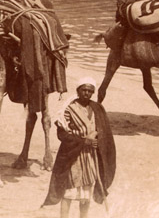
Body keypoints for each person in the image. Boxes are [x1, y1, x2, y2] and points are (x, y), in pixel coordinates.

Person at [42, 77, 116, 218]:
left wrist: (98, 139)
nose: (86, 93)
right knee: (69, 191)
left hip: (90, 156)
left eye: (90, 91)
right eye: (84, 90)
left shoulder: (97, 109)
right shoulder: (68, 109)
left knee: (85, 193)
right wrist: (84, 141)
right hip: (72, 155)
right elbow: (62, 135)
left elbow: (104, 130)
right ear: (78, 91)